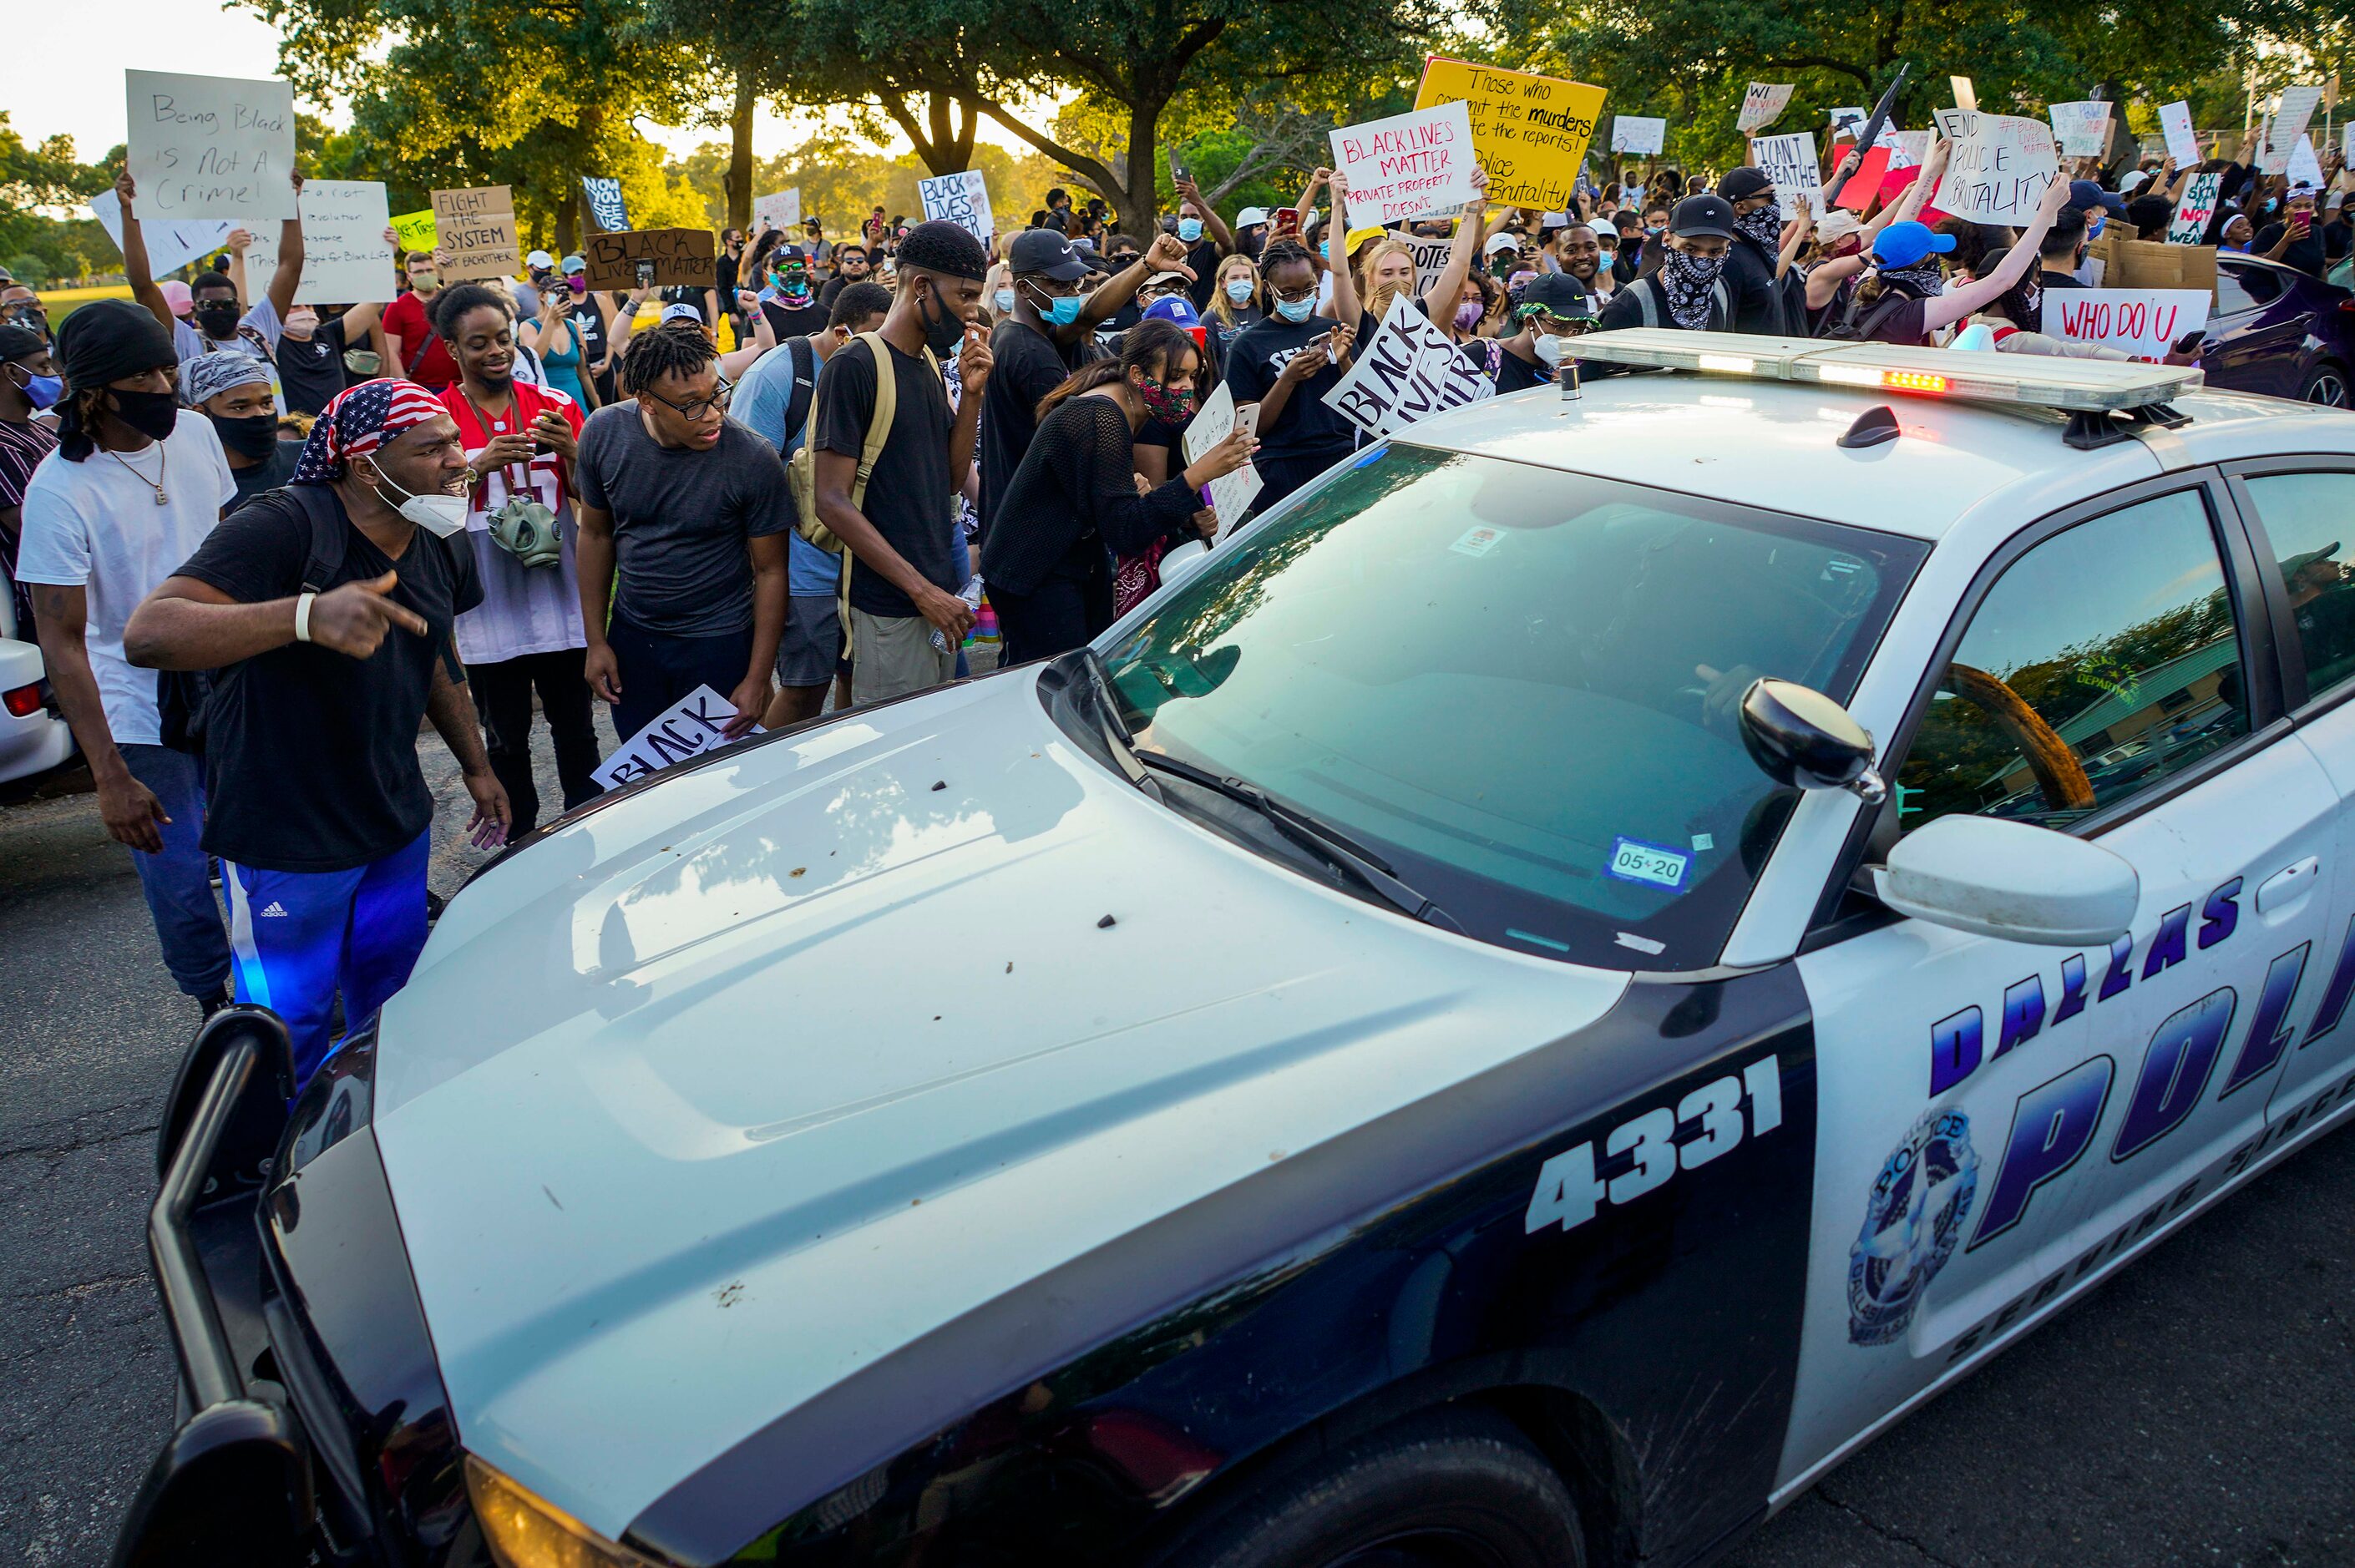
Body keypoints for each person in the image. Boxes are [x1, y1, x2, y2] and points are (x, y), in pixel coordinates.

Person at [121, 382, 509, 1087]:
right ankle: (272, 1167)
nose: (459, 461)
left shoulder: (438, 535)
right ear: (366, 465)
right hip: (285, 831)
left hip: (392, 818)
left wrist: (477, 766)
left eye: (455, 441)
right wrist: (304, 617)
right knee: (286, 1020)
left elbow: (434, 654)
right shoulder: (284, 525)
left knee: (391, 1004)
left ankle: (368, 1141)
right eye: (433, 449)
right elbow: (149, 633)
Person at [16, 301, 235, 1018]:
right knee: (177, 879)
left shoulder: (199, 434)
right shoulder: (58, 490)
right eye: (142, 375)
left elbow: (233, 546)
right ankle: (213, 1003)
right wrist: (108, 774)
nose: (164, 387)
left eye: (167, 368)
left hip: (233, 680)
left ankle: (289, 990)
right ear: (94, 391)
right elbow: (63, 641)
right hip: (141, 710)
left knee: (268, 856)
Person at [430, 283, 600, 837]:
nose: (497, 351)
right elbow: (425, 511)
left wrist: (574, 453)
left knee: (576, 728)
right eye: (478, 343)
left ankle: (589, 824)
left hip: (559, 596)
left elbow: (597, 501)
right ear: (454, 349)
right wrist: (478, 465)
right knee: (505, 737)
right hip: (485, 604)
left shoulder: (556, 405)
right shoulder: (436, 416)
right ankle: (521, 839)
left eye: (503, 338)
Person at [982, 320, 1253, 663]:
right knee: (1056, 683)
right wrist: (1196, 476)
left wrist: (1185, 514)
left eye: (1193, 377)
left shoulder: (1126, 403)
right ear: (1139, 375)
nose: (1186, 387)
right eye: (1175, 377)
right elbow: (1125, 530)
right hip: (1035, 573)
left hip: (1071, 563)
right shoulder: (1103, 415)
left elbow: (1113, 502)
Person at [575, 321, 790, 744]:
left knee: (721, 780)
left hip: (721, 643)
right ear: (646, 401)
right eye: (692, 405)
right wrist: (596, 641)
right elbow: (596, 537)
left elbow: (771, 571)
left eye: (717, 395)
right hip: (634, 641)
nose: (712, 415)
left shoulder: (752, 457)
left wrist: (758, 676)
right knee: (647, 785)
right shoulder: (602, 433)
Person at [811, 220, 992, 704]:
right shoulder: (855, 366)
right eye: (966, 296)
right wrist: (921, 591)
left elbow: (952, 480)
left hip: (935, 600)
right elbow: (831, 500)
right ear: (921, 287)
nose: (974, 312)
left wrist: (971, 396)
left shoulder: (929, 362)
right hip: (892, 608)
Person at [735, 281, 894, 726]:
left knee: (856, 681)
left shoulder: (878, 369)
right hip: (802, 570)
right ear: (844, 333)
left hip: (862, 562)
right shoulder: (777, 375)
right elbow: (747, 483)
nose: (886, 346)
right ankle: (761, 775)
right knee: (805, 689)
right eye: (876, 335)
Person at [980, 227, 1188, 537]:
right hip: (1039, 534)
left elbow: (1089, 315)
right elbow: (1080, 452)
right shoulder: (1034, 358)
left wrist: (1148, 266)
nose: (1072, 294)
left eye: (1074, 283)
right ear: (1024, 288)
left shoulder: (1023, 330)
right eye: (1059, 285)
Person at [118, 169, 304, 413]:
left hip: (273, 438)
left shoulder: (259, 330)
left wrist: (291, 205)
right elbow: (143, 285)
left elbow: (290, 267)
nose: (219, 310)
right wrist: (129, 212)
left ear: (238, 304)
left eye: (227, 305)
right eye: (209, 306)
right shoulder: (187, 343)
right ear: (195, 309)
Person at [1224, 210, 1369, 512]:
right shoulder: (1247, 345)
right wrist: (1288, 379)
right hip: (1280, 468)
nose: (1301, 298)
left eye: (1308, 289)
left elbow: (1363, 406)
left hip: (1337, 457)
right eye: (1289, 294)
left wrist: (1343, 362)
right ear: (1269, 289)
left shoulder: (1330, 331)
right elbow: (1249, 429)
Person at [1598, 195, 1736, 332]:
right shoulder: (1629, 307)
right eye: (1690, 249)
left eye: (1714, 252)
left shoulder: (1721, 291)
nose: (1702, 261)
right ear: (1667, 239)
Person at [0, 324, 62, 631]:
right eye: (42, 366)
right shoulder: (3, 445)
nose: (53, 375)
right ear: (13, 373)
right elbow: (31, 526)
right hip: (41, 606)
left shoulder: (39, 431)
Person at [188, 352, 306, 510]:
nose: (260, 414)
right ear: (202, 413)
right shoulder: (194, 488)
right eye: (240, 408)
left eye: (266, 404)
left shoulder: (308, 459)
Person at [277, 297, 387, 417]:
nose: (304, 310)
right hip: (297, 430)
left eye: (308, 305)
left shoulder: (328, 335)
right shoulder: (274, 344)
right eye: (295, 306)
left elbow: (375, 302)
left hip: (335, 427)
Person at [1492, 272, 1598, 392]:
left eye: (1580, 329)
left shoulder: (1574, 367)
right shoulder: (1485, 357)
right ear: (1530, 322)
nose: (1571, 336)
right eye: (1561, 327)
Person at [382, 250, 461, 388]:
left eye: (429, 270)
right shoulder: (397, 307)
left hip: (461, 384)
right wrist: (406, 389)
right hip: (422, 387)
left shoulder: (452, 300)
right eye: (419, 272)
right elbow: (391, 352)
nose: (426, 275)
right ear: (409, 276)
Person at [524, 276, 600, 411]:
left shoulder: (573, 327)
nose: (562, 295)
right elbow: (537, 357)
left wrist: (598, 407)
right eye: (556, 291)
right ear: (542, 296)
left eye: (566, 291)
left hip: (576, 400)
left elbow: (584, 372)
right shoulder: (529, 327)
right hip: (547, 402)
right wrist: (550, 320)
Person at [757, 242, 830, 340]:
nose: (791, 272)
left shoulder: (824, 312)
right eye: (784, 268)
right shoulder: (764, 311)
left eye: (796, 267)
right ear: (776, 273)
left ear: (805, 269)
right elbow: (752, 350)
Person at [818, 242, 873, 309]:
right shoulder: (831, 287)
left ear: (867, 266)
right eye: (849, 261)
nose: (855, 263)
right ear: (842, 267)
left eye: (860, 260)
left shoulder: (875, 283)